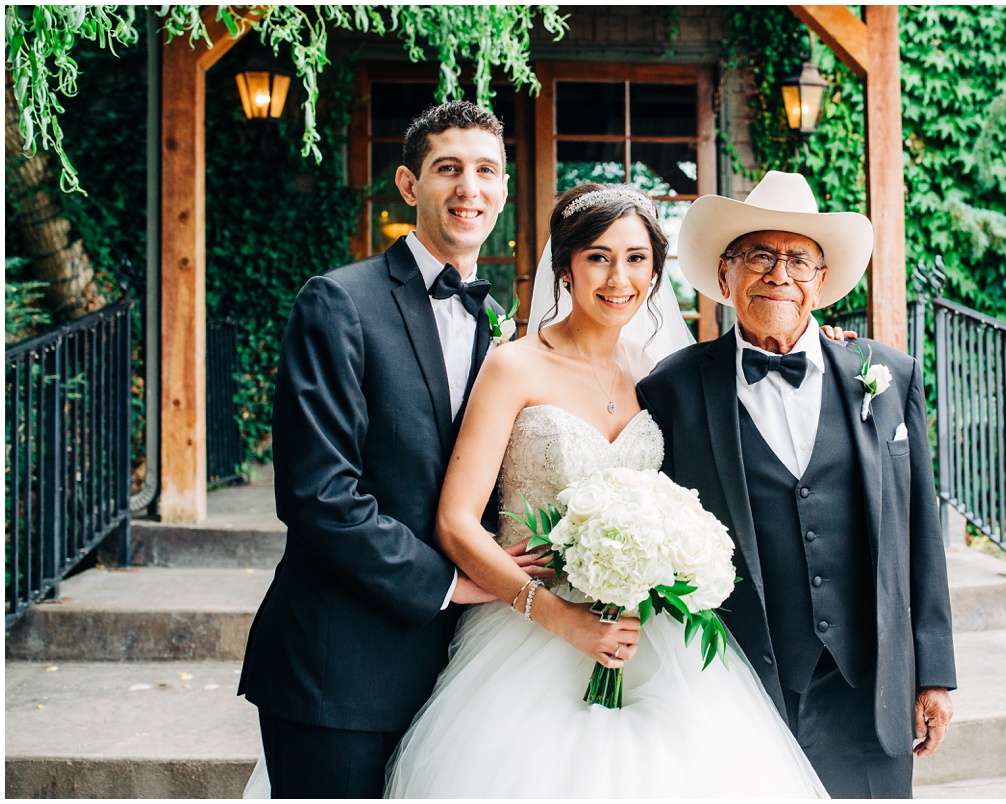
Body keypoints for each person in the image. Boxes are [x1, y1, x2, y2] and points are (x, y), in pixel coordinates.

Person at [380, 183, 830, 798]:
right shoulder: (514, 366)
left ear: (654, 270)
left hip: (646, 632)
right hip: (528, 632)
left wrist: (826, 347)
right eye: (598, 256)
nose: (619, 277)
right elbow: (456, 522)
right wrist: (562, 619)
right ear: (564, 266)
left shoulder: (662, 374)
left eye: (636, 258)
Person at [237, 101, 546, 798]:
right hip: (340, 667)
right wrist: (455, 582)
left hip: (460, 679)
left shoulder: (503, 328)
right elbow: (320, 495)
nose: (470, 189)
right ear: (409, 186)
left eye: (486, 171)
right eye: (448, 170)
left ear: (504, 188)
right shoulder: (338, 302)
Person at [637, 171, 957, 799]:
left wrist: (935, 673)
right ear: (726, 275)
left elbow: (920, 534)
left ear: (821, 282)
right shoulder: (672, 388)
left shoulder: (887, 375)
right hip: (739, 682)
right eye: (759, 256)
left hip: (868, 685)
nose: (778, 275)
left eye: (798, 261)